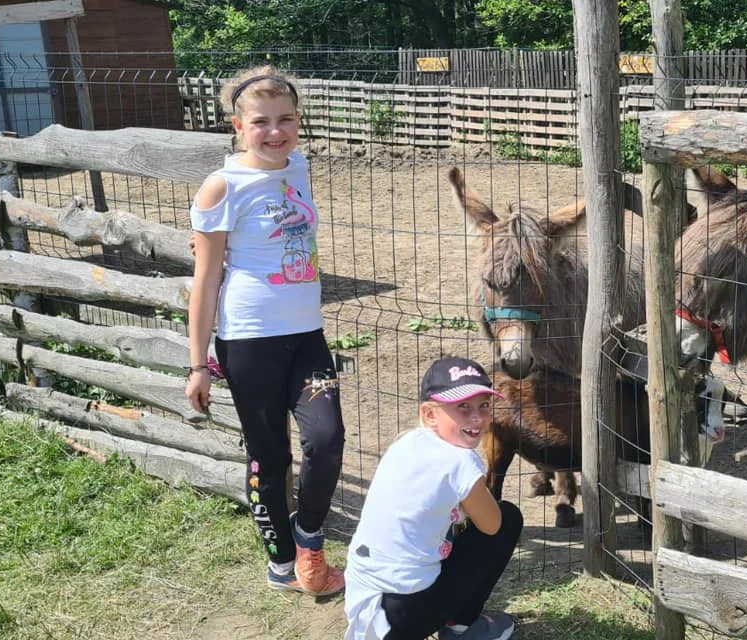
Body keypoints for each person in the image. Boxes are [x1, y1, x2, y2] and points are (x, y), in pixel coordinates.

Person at [185, 65, 345, 597]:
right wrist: (196, 364)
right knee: (270, 454)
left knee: (326, 437)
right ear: (237, 125)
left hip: (307, 336)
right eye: (261, 122)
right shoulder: (221, 187)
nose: (275, 131)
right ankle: (282, 563)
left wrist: (268, 74)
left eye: (286, 119)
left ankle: (309, 535)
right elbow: (205, 280)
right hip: (249, 341)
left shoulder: (296, 165)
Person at [344, 356, 524, 640]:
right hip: (406, 613)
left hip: (365, 600)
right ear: (429, 413)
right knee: (508, 518)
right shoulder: (461, 461)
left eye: (484, 406)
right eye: (463, 408)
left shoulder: (405, 441)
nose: (477, 418)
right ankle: (460, 627)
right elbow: (492, 526)